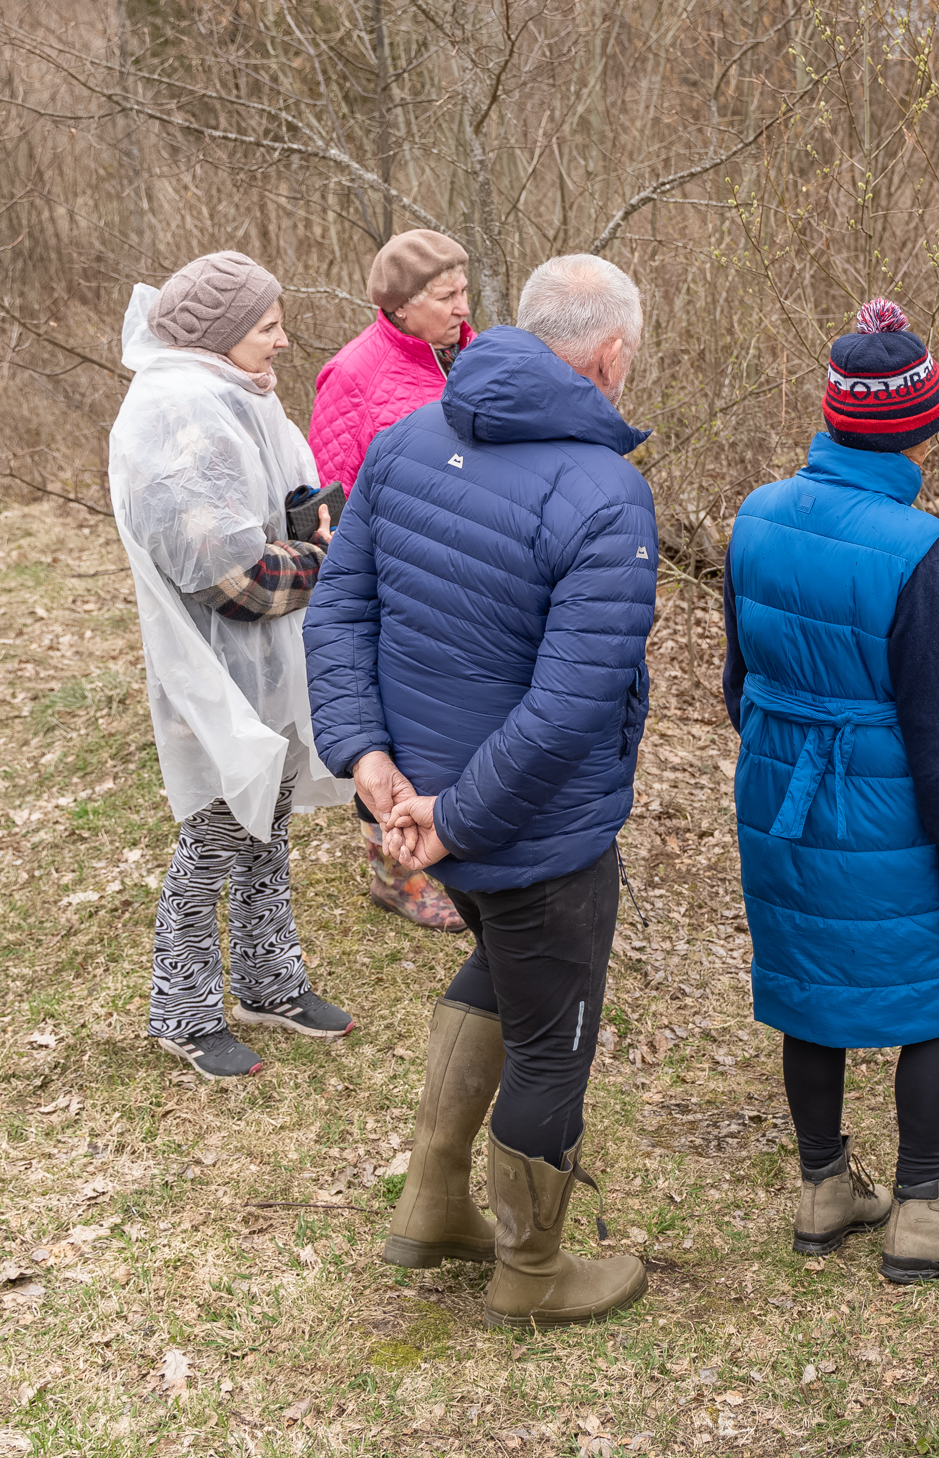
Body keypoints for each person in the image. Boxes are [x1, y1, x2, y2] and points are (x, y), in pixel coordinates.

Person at [304, 253, 657, 1329]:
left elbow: (336, 610)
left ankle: (431, 1205)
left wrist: (378, 776)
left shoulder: (411, 440)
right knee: (554, 1033)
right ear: (607, 357)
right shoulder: (605, 491)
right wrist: (438, 814)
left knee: (499, 966)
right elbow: (568, 709)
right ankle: (533, 1272)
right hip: (526, 828)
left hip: (428, 806)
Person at [723, 298, 939, 1284]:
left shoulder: (756, 514)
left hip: (775, 797)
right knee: (936, 994)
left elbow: (736, 682)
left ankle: (823, 1189)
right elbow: (937, 726)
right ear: (919, 424)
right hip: (882, 802)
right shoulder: (914, 549)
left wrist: (783, 758)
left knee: (809, 989)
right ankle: (919, 1210)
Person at [107, 251, 359, 1080]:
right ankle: (182, 1010)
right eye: (267, 326)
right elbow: (235, 581)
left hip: (266, 667)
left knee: (268, 825)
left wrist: (303, 530)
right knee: (214, 836)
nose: (284, 341)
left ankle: (269, 983)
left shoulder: (236, 396)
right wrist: (320, 554)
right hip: (215, 670)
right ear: (220, 336)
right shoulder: (182, 418)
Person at [307, 228, 476, 933]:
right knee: (390, 719)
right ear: (401, 307)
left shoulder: (472, 355)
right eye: (447, 296)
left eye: (465, 291)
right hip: (389, 571)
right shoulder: (354, 374)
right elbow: (332, 492)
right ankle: (394, 871)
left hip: (466, 563)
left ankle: (445, 842)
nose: (463, 307)